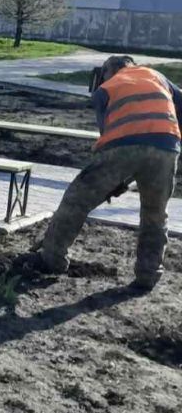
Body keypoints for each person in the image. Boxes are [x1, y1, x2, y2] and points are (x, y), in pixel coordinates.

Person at [36, 55, 182, 291]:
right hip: (167, 146)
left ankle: (52, 258)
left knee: (77, 199)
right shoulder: (158, 77)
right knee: (155, 214)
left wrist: (112, 179)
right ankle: (148, 275)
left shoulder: (107, 87)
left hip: (123, 146)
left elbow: (109, 135)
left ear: (108, 71)